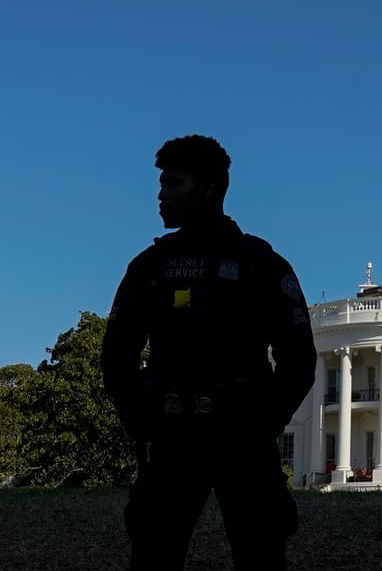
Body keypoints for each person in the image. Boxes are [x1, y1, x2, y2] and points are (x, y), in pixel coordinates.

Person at [101, 135, 316, 570]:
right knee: (154, 554)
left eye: (172, 184)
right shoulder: (150, 267)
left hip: (241, 435)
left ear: (209, 188)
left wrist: (262, 425)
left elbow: (299, 360)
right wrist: (144, 427)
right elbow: (116, 358)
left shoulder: (261, 265)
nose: (161, 195)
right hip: (173, 433)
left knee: (260, 554)